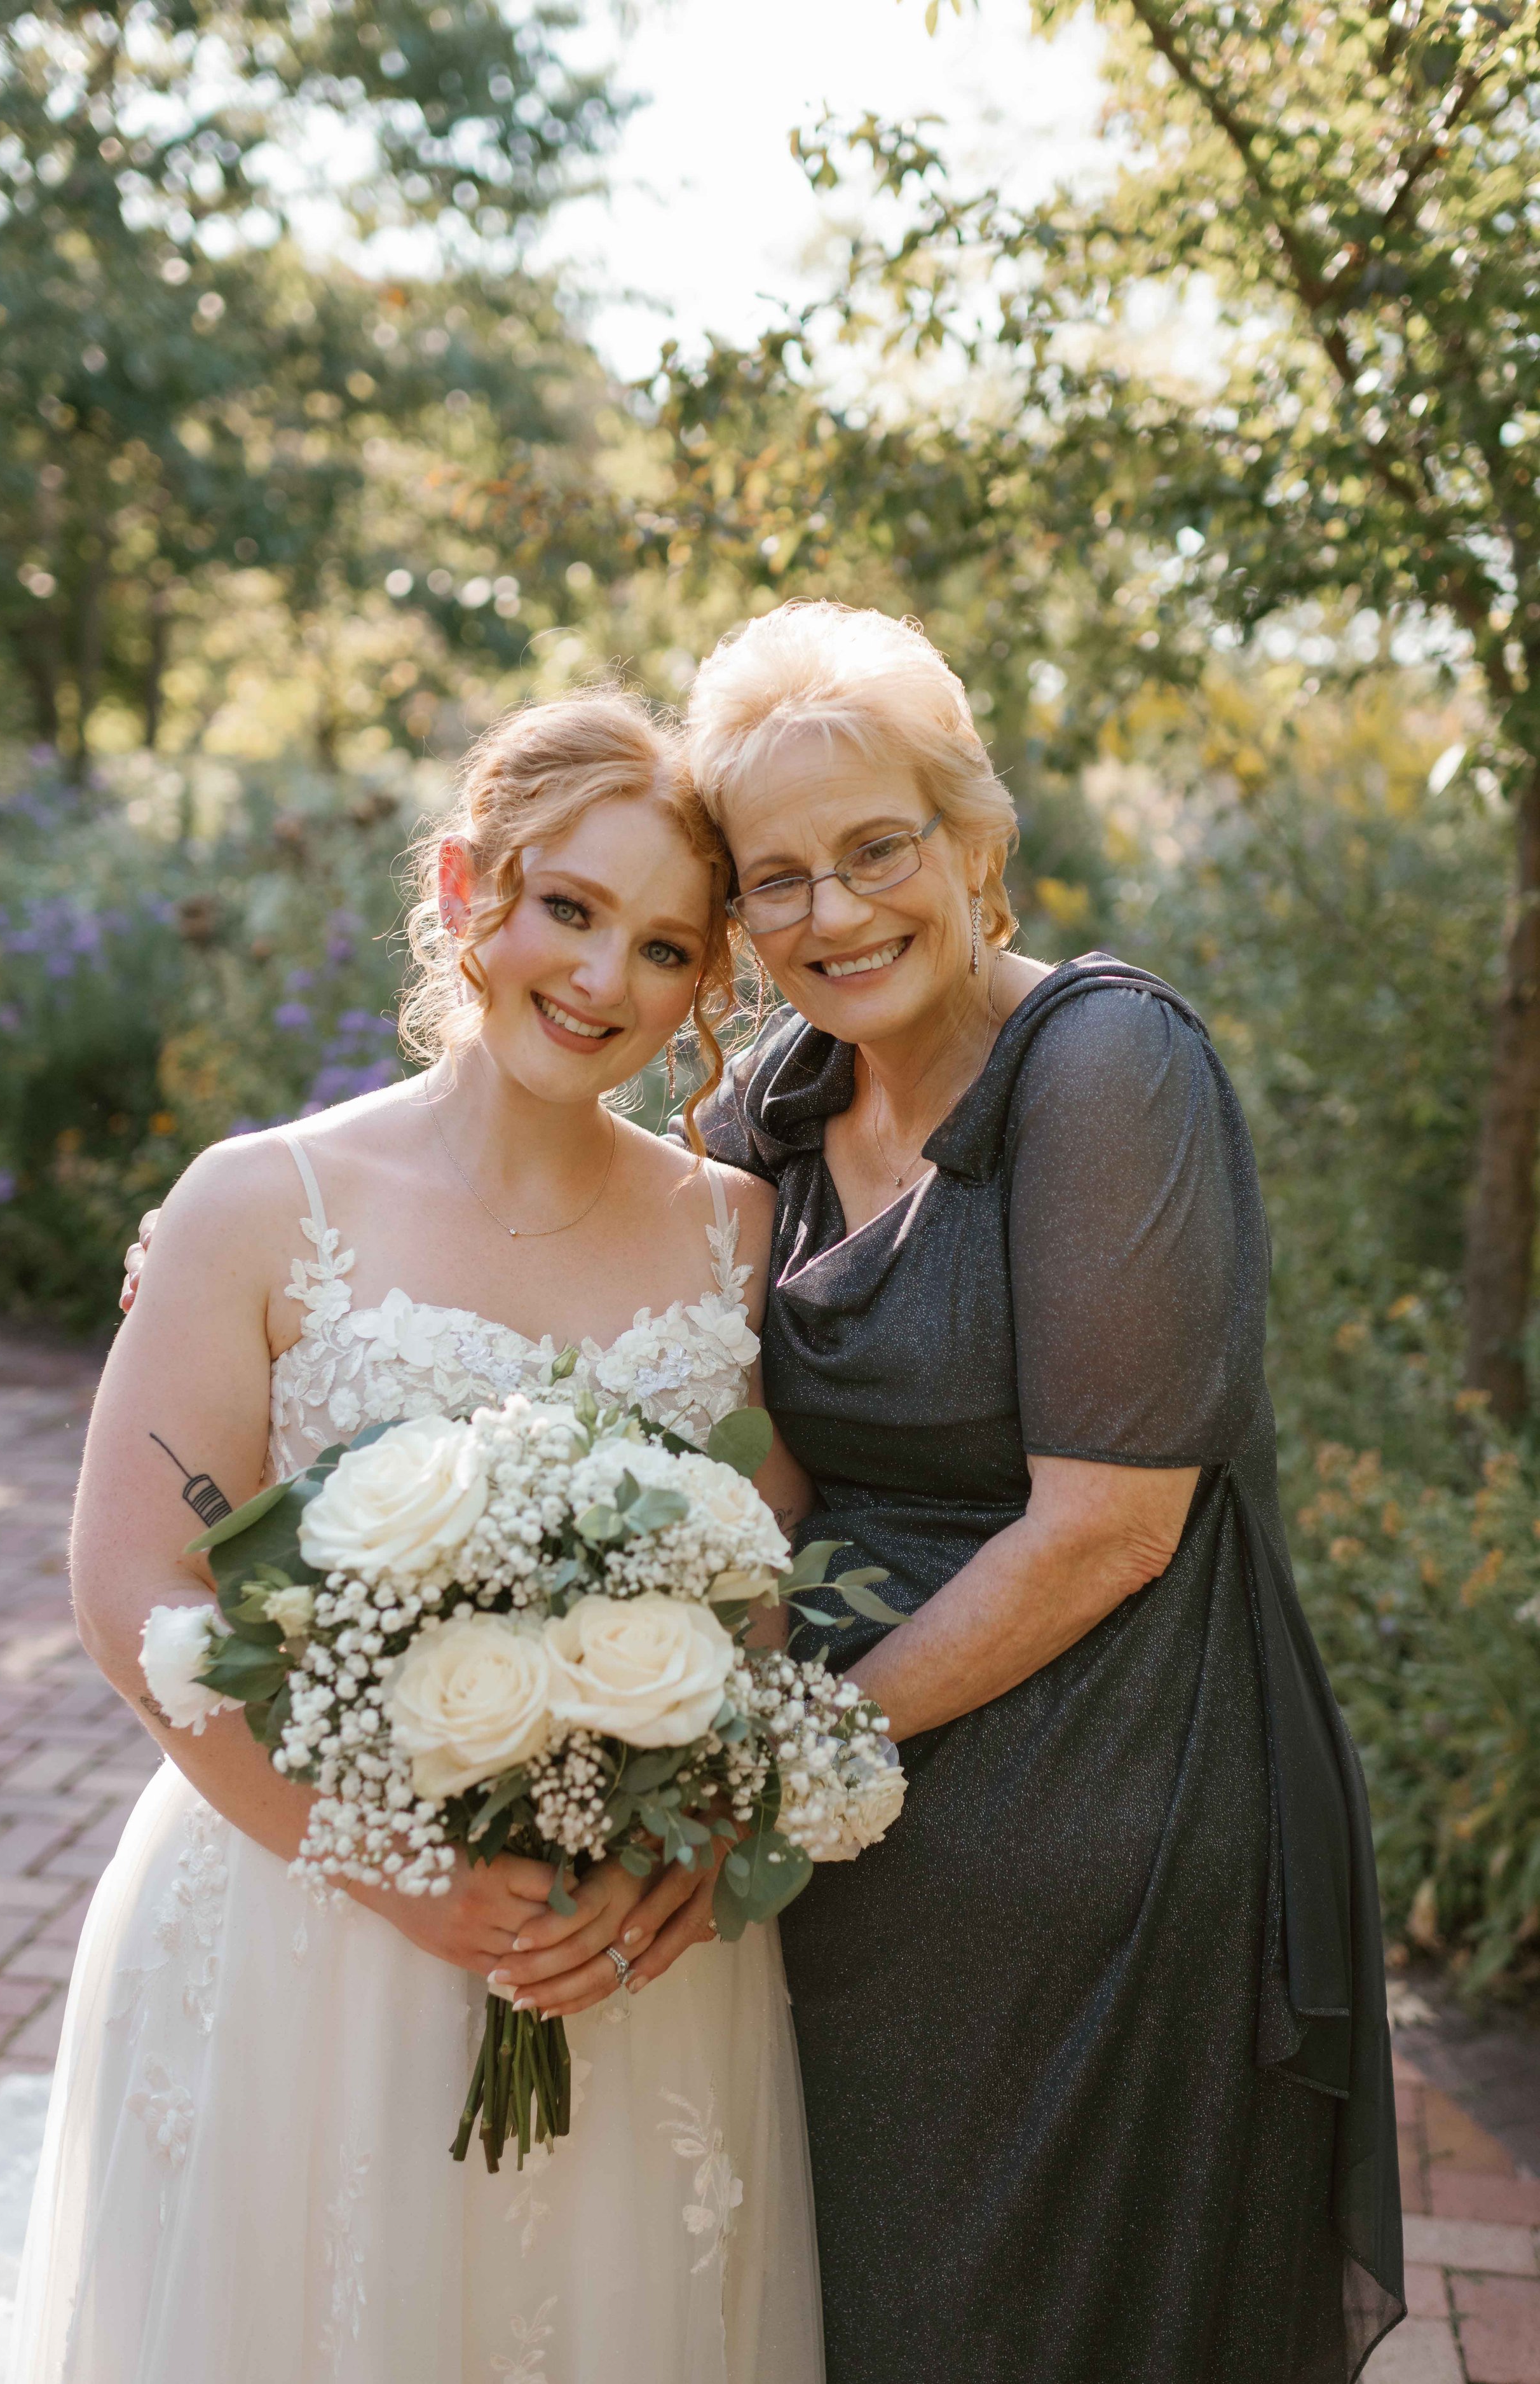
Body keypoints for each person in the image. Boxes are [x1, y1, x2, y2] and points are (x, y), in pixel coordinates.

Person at [14, 692, 824, 2384]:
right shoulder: (261, 1203)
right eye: (568, 910)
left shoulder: (732, 1232)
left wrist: (689, 1852)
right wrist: (402, 1876)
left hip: (616, 1952)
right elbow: (130, 1584)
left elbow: (760, 1595)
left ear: (707, 991)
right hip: (305, 1923)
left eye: (666, 949)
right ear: (467, 888)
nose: (604, 981)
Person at [675, 601, 1405, 2384]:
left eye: (876, 851)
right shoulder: (763, 1112)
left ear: (974, 843)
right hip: (847, 1843)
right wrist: (266, 1241)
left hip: (1103, 1827)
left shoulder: (1102, 1064)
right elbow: (664, 1379)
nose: (833, 915)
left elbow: (1107, 1527)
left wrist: (781, 1763)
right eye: (778, 880)